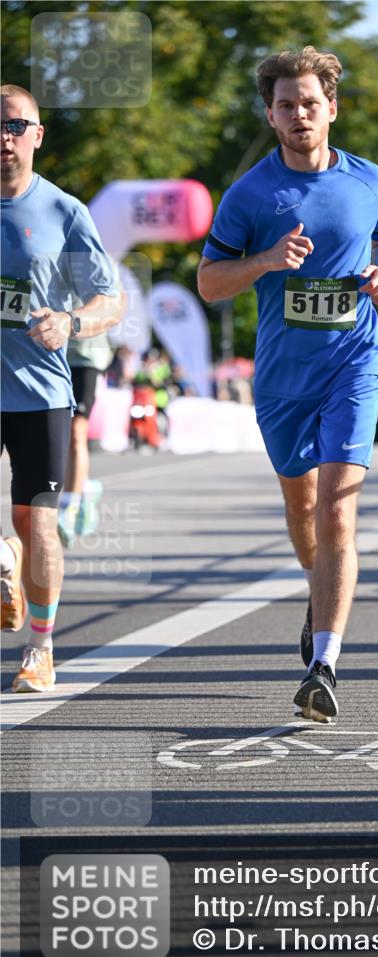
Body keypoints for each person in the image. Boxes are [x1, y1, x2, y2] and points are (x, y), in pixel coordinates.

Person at [198, 46, 378, 723]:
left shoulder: (368, 179)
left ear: (331, 108)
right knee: (301, 508)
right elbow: (209, 282)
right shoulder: (250, 194)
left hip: (353, 363)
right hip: (283, 378)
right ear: (270, 113)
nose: (298, 115)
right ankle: (319, 599)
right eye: (285, 105)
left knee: (337, 509)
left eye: (309, 103)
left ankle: (325, 662)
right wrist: (262, 261)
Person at [1, 84, 122, 692]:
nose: (4, 136)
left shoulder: (63, 212)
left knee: (36, 524)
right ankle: (5, 566)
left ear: (37, 135)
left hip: (40, 393)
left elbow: (111, 300)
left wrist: (71, 322)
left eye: (16, 126)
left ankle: (40, 650)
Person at [57, 328, 114, 546]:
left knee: (76, 430)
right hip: (49, 354)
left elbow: (116, 305)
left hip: (85, 357)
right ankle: (85, 485)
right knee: (57, 433)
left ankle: (68, 510)